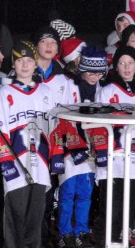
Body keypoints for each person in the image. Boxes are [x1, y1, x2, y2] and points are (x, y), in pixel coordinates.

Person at [0, 40, 54, 248]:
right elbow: (0, 131)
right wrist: (6, 163)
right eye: (20, 61)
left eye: (29, 60)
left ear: (36, 63)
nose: (25, 65)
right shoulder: (4, 93)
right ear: (13, 64)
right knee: (16, 215)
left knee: (35, 217)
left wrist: (54, 158)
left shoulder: (46, 92)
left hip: (41, 164)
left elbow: (53, 130)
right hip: (16, 164)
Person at [50, 46, 107, 248]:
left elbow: (102, 122)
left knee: (85, 193)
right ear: (82, 69)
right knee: (67, 193)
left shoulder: (102, 89)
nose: (95, 76)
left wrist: (99, 148)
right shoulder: (70, 86)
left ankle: (81, 231)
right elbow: (61, 117)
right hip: (69, 148)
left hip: (91, 150)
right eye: (91, 71)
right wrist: (72, 146)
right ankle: (64, 233)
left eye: (100, 72)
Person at [92, 46, 135, 246]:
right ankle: (105, 241)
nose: (127, 67)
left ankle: (127, 238)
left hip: (133, 159)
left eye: (131, 63)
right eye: (122, 63)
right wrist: (101, 153)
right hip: (114, 158)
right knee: (112, 206)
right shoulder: (107, 90)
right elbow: (97, 125)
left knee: (131, 206)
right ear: (116, 66)